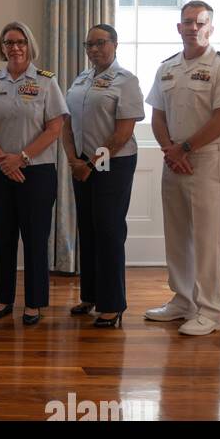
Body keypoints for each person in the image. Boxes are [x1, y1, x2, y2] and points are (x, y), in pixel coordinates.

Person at [143, 0, 220, 336]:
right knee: (177, 234)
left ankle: (211, 310)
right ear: (179, 27)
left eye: (200, 22)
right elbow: (158, 115)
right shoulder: (167, 68)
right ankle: (183, 300)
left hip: (206, 159)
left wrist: (184, 148)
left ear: (210, 27)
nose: (193, 28)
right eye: (187, 22)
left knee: (207, 237)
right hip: (173, 159)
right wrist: (170, 150)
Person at [0, 22, 66, 325]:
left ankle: (34, 302)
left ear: (29, 46)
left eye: (20, 42)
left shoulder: (46, 82)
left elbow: (55, 127)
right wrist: (5, 160)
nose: (15, 47)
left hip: (36, 172)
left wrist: (22, 158)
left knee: (35, 237)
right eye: (9, 42)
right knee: (2, 236)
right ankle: (3, 298)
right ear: (2, 47)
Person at [60, 23, 144, 328]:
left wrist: (90, 164)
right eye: (89, 45)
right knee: (88, 227)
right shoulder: (81, 79)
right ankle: (91, 295)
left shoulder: (126, 81)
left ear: (115, 44)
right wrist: (73, 159)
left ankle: (112, 304)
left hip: (112, 163)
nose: (94, 49)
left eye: (101, 43)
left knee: (109, 230)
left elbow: (122, 134)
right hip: (81, 162)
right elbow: (66, 123)